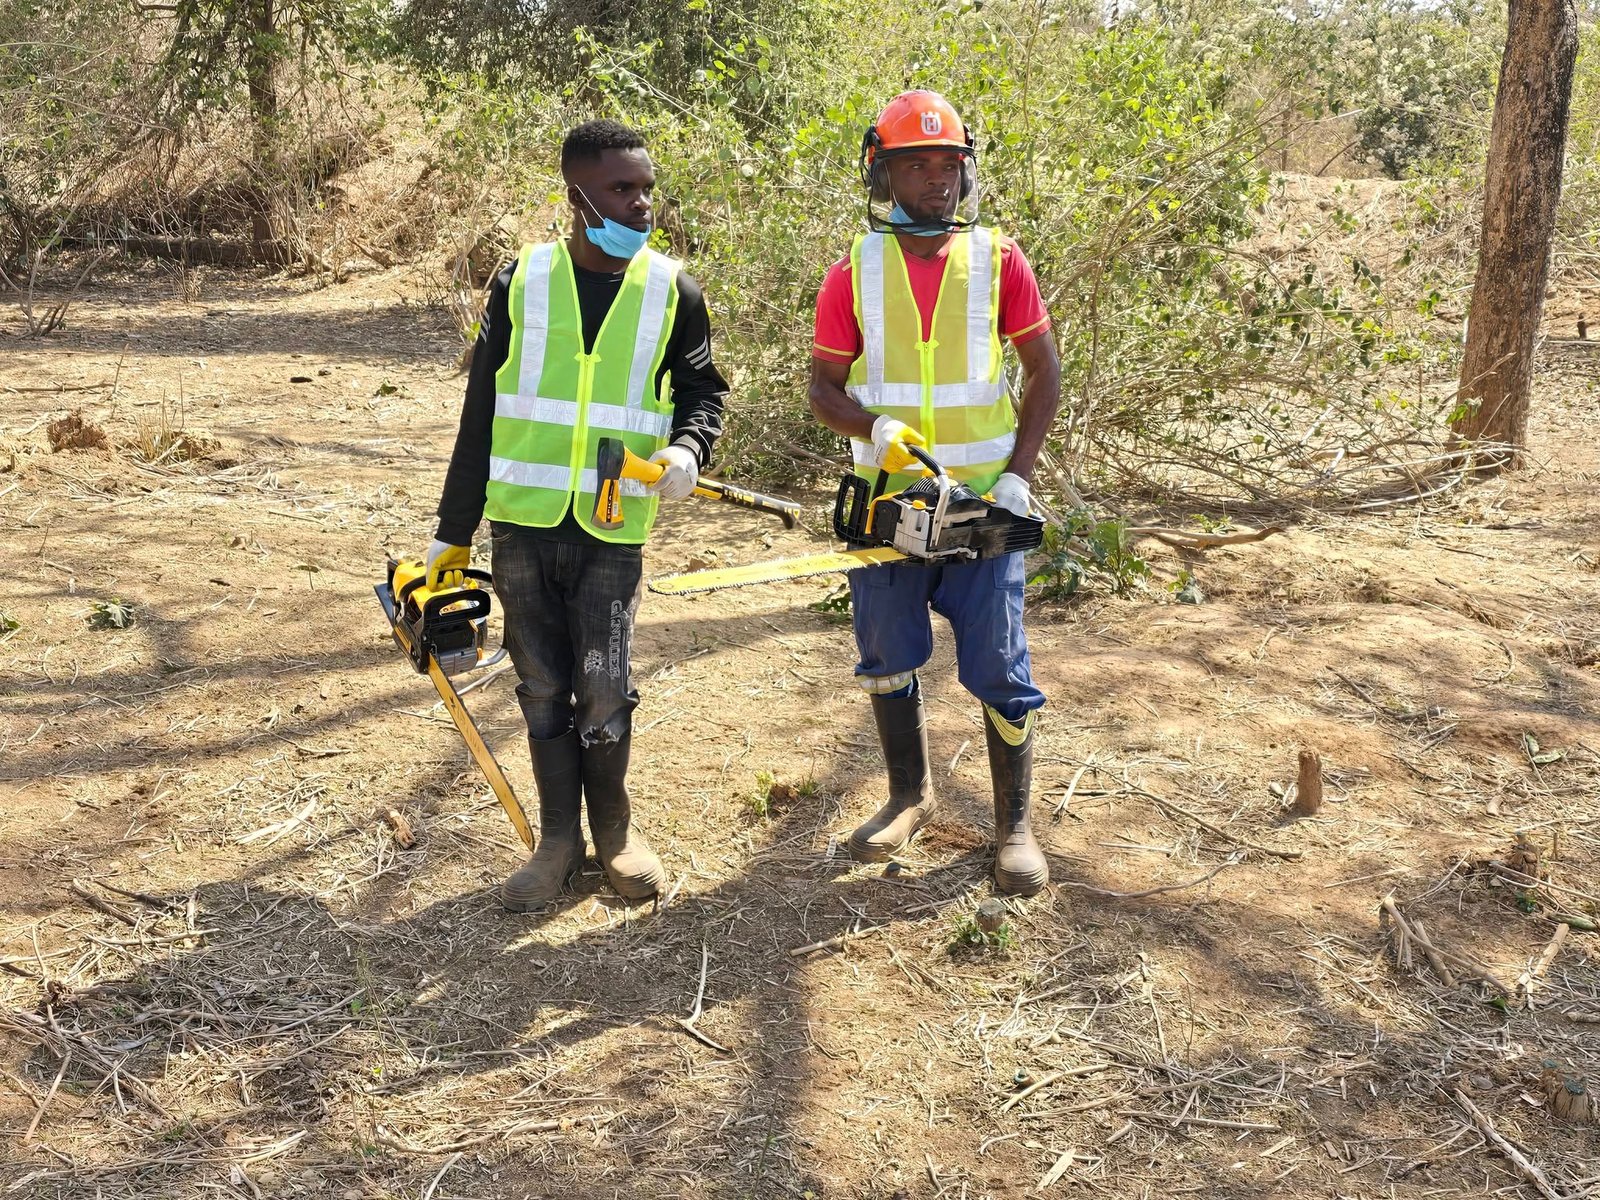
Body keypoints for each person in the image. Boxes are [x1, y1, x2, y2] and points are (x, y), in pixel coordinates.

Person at [425, 119, 727, 910]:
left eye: (646, 190)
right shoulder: (520, 281)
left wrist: (690, 453)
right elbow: (482, 405)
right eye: (622, 190)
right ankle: (557, 843)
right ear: (577, 196)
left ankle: (617, 835)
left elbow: (703, 392)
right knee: (540, 685)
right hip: (522, 523)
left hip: (613, 529)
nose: (642, 206)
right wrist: (452, 533)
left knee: (605, 685)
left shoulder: (673, 291)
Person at [808, 91, 1061, 895]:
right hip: (887, 505)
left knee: (999, 663)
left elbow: (1045, 372)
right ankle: (906, 795)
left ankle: (1014, 826)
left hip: (985, 506)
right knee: (887, 654)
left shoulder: (1000, 260)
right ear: (880, 173)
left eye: (948, 165)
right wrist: (872, 427)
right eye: (915, 166)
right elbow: (822, 388)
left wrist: (1019, 475)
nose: (936, 182)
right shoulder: (853, 270)